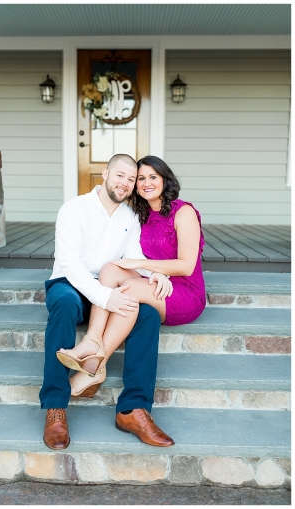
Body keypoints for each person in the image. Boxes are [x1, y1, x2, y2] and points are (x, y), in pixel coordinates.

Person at [41, 154, 174, 451]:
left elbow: (135, 258)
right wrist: (105, 296)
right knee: (63, 305)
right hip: (70, 285)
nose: (125, 183)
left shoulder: (129, 217)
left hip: (109, 285)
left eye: (131, 179)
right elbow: (71, 265)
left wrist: (156, 273)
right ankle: (55, 406)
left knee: (148, 315)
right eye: (120, 176)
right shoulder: (73, 209)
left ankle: (133, 409)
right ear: (104, 174)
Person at [60, 155, 205, 417]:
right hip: (155, 282)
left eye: (153, 177)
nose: (146, 183)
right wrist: (150, 271)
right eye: (141, 179)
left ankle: (96, 361)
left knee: (127, 291)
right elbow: (139, 259)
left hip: (182, 292)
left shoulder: (183, 212)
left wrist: (147, 268)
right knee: (109, 268)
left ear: (164, 179)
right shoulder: (140, 214)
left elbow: (186, 266)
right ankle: (93, 339)